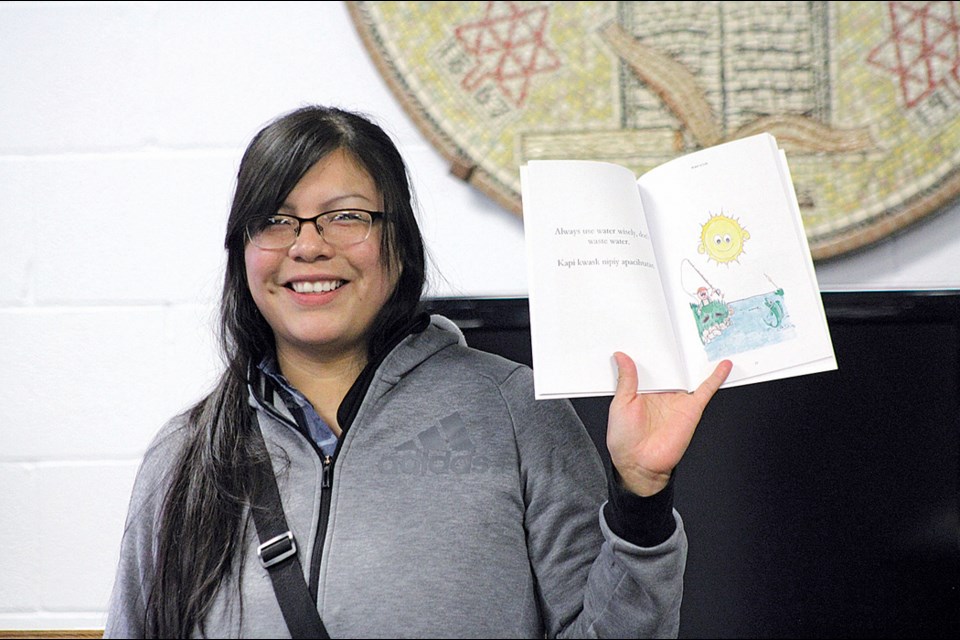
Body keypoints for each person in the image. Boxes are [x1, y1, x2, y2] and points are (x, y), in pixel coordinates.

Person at [103, 104, 731, 639]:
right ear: (243, 253)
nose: (307, 244)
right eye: (274, 220)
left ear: (398, 245)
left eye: (345, 216)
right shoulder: (185, 455)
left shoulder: (515, 411)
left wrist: (641, 498)